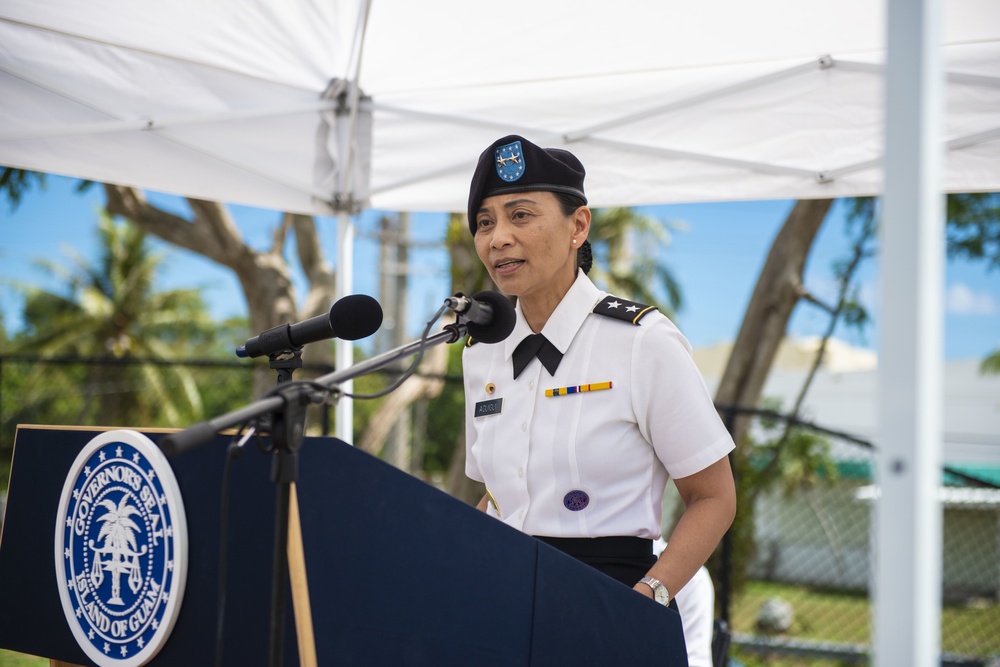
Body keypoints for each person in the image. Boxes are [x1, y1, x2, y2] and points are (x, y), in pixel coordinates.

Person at [462, 134, 737, 617]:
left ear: (578, 226)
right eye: (485, 223)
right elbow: (495, 495)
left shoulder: (642, 340)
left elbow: (714, 497)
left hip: (607, 600)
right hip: (499, 596)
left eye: (520, 215)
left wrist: (649, 596)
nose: (498, 237)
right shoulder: (482, 351)